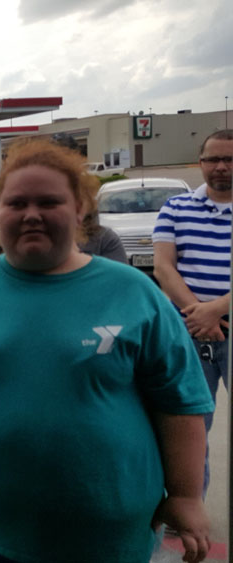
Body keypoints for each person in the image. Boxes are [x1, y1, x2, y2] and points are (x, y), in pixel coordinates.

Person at [0, 138, 214, 563]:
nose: (31, 214)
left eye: (49, 202)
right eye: (16, 203)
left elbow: (179, 403)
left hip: (107, 535)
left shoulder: (134, 293)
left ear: (80, 209)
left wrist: (185, 495)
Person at [153, 128, 232, 498]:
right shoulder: (174, 208)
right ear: (200, 163)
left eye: (229, 159)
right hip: (189, 334)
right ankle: (189, 505)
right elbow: (163, 268)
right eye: (213, 159)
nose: (221, 167)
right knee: (191, 427)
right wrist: (198, 316)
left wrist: (215, 309)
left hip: (210, 323)